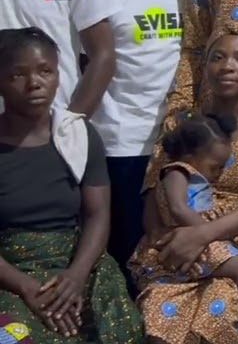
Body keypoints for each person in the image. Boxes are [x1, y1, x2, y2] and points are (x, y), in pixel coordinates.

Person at [132, 32, 238, 344]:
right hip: (174, 241)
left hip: (234, 240)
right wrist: (170, 241)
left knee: (219, 311)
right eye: (217, 57)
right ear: (204, 67)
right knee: (159, 314)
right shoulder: (181, 124)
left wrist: (202, 235)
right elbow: (153, 193)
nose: (228, 66)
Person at [0, 27, 143, 343]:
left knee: (121, 330)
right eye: (17, 75)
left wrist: (76, 277)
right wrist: (27, 288)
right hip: (10, 275)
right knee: (13, 337)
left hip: (76, 264)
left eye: (45, 71)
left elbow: (97, 215)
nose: (34, 83)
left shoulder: (78, 135)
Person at [97, 0, 187, 278]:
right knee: (126, 244)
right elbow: (87, 61)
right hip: (122, 139)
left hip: (178, 139)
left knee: (171, 242)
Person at [141, 112, 238, 344]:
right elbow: (178, 208)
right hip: (183, 238)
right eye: (215, 167)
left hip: (200, 236)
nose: (218, 174)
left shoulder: (190, 174)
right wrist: (206, 233)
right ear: (190, 157)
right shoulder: (176, 172)